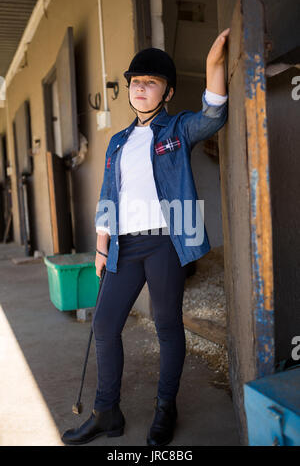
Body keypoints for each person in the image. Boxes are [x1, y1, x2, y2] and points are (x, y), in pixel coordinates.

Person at [62, 27, 230, 446]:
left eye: (150, 83)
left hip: (165, 242)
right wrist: (101, 247)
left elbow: (213, 116)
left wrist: (213, 66)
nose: (140, 89)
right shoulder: (118, 142)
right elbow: (107, 196)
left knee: (167, 324)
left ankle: (164, 409)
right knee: (104, 324)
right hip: (124, 244)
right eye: (135, 83)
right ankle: (107, 413)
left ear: (167, 92)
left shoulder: (177, 130)